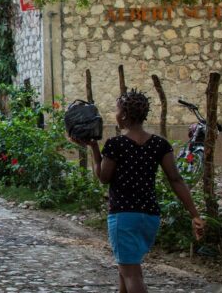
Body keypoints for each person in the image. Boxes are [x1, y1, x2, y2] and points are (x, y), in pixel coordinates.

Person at [71, 90, 204, 293]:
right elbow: (176, 180)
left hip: (124, 217)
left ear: (124, 115)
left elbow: (103, 178)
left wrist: (94, 149)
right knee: (126, 270)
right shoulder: (160, 144)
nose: (114, 114)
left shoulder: (116, 144)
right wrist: (194, 214)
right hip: (149, 217)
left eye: (116, 110)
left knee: (132, 274)